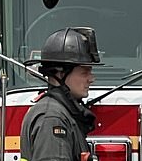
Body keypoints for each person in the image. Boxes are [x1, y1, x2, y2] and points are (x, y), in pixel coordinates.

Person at [20, 27, 103, 161]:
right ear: (60, 73)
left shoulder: (62, 113)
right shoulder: (52, 118)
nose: (91, 78)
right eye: (84, 72)